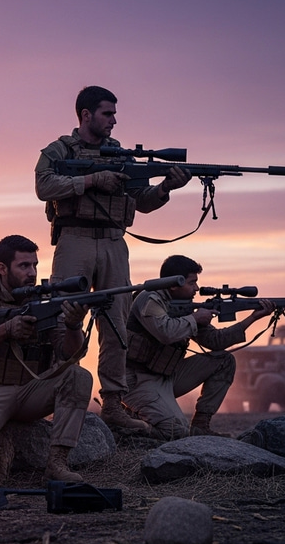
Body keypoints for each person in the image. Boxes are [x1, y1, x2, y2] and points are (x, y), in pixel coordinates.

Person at [35, 85, 191, 435]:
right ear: (86, 115)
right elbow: (44, 187)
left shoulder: (119, 154)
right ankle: (55, 395)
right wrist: (93, 180)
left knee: (116, 324)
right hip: (74, 238)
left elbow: (144, 201)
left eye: (114, 114)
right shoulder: (59, 150)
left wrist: (166, 187)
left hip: (113, 241)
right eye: (107, 113)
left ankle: (113, 405)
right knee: (64, 317)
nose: (114, 121)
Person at [0, 235, 93, 483]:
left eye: (35, 265)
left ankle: (57, 464)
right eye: (24, 266)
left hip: (33, 388)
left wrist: (73, 325)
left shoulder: (44, 301)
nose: (32, 272)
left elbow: (70, 355)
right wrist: (5, 330)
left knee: (78, 376)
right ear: (2, 268)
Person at [123, 255, 276, 439]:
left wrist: (252, 318)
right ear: (174, 284)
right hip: (137, 380)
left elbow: (215, 341)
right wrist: (195, 318)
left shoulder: (184, 307)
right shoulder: (149, 298)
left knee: (224, 361)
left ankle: (201, 425)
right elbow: (165, 332)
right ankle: (128, 424)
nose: (196, 288)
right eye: (192, 282)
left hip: (168, 376)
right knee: (176, 431)